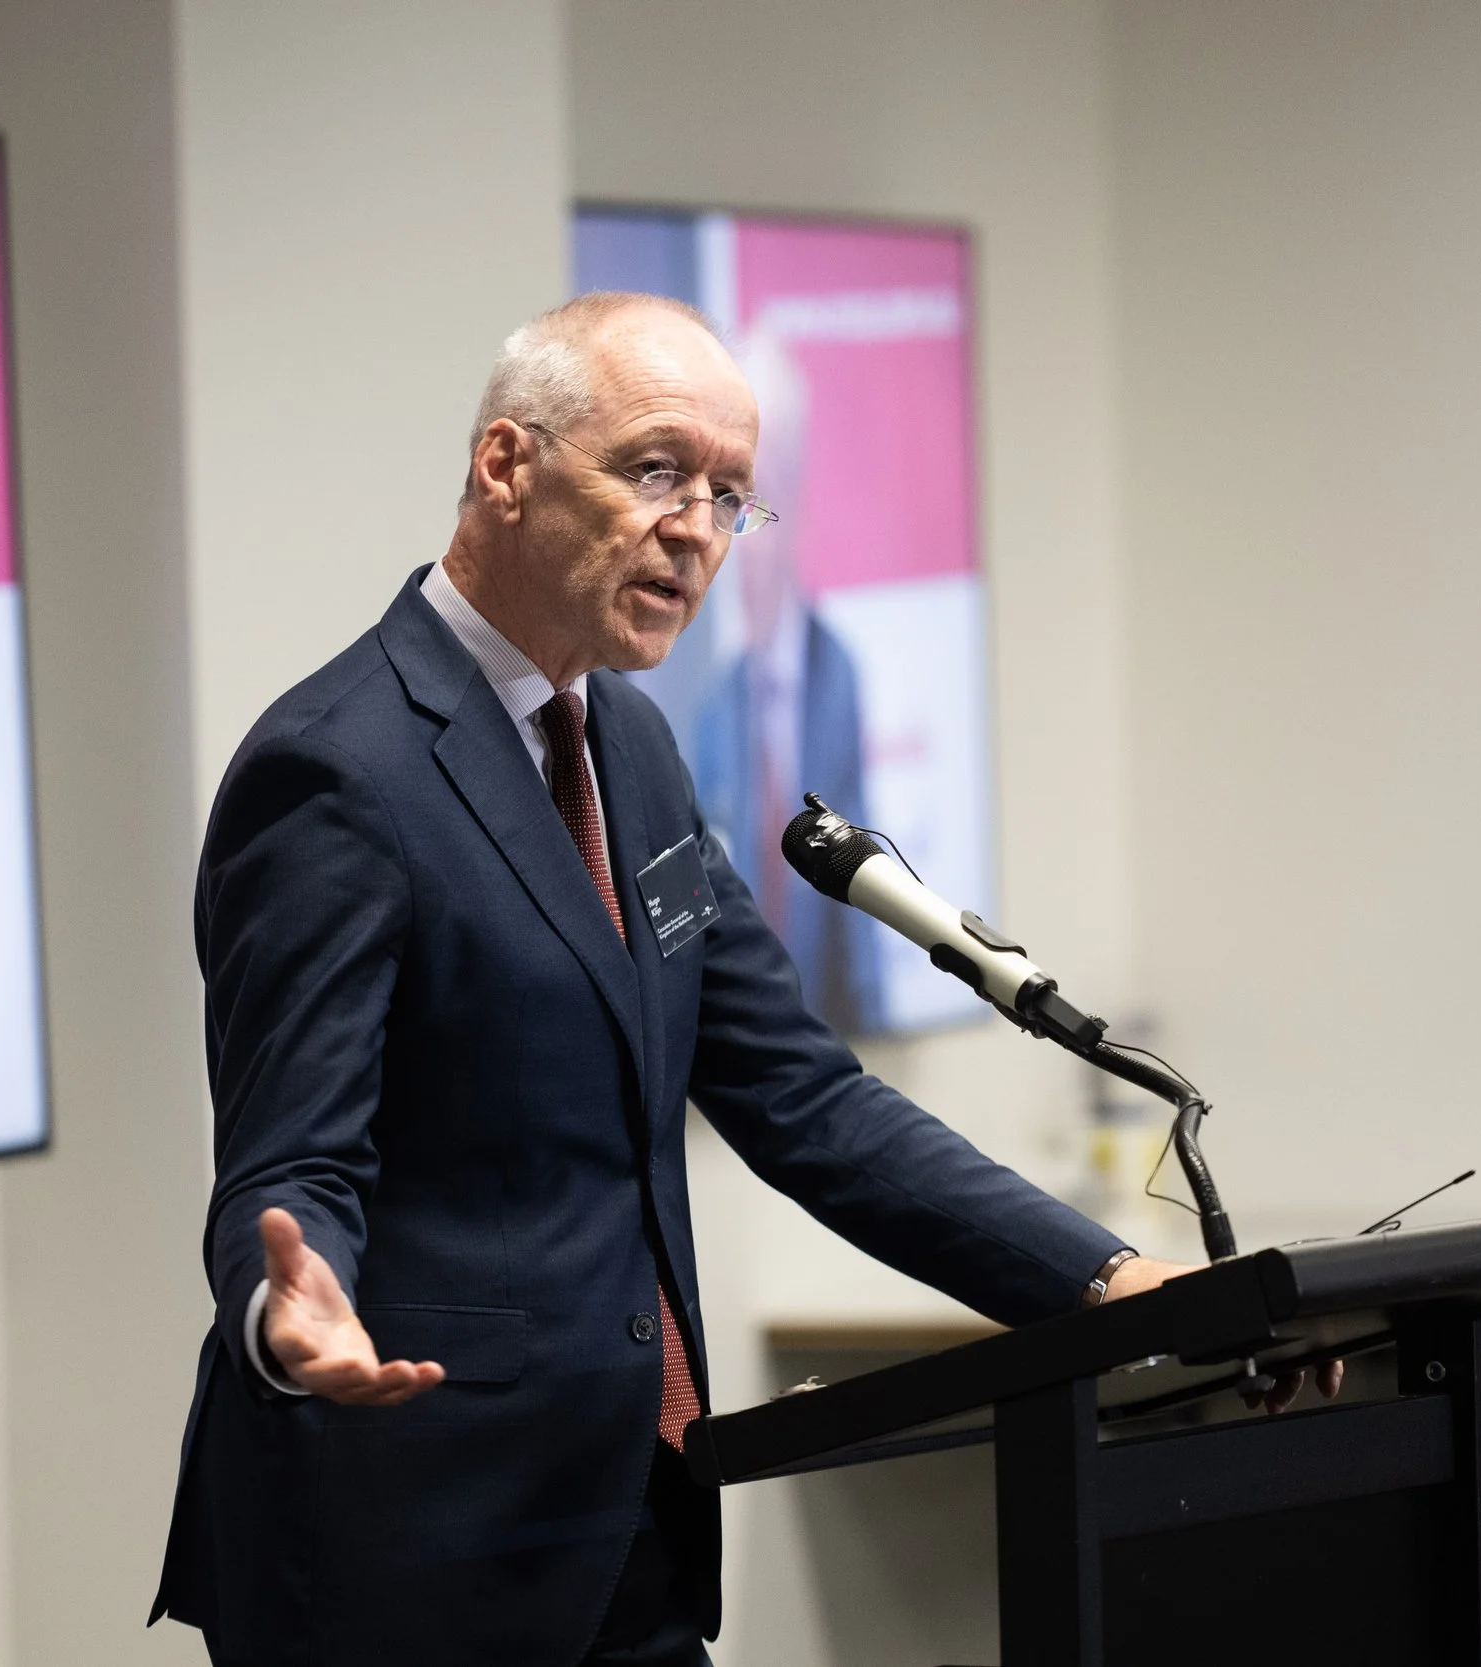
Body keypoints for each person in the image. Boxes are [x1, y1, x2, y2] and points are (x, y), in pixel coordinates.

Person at [149, 292, 1333, 1666]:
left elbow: (807, 1099)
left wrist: (1113, 1281)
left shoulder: (633, 747)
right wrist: (291, 1308)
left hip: (625, 1523)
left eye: (730, 497)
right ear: (506, 464)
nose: (698, 529)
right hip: (402, 1547)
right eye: (656, 471)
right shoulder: (338, 769)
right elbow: (291, 1166)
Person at [689, 328, 883, 1034]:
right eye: (721, 503)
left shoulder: (841, 679)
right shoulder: (712, 711)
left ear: (795, 498)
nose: (734, 542)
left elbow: (864, 925)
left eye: (752, 502)